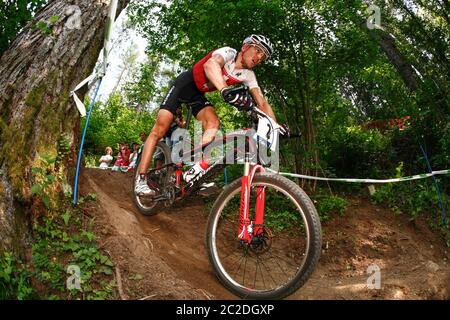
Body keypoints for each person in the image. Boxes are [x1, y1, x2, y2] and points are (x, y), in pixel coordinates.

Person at [135, 34, 278, 196]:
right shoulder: (229, 53)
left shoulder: (248, 75)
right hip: (184, 85)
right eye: (258, 50)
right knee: (159, 131)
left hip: (197, 95)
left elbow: (262, 103)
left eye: (263, 56)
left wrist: (275, 126)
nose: (259, 57)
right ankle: (140, 179)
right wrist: (224, 90)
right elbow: (211, 65)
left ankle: (192, 170)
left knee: (213, 125)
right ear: (245, 47)